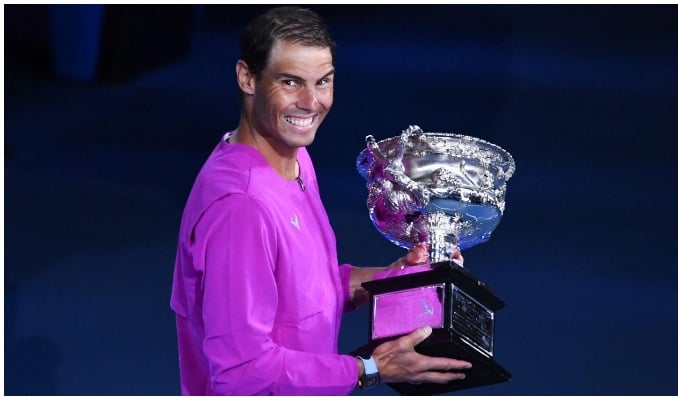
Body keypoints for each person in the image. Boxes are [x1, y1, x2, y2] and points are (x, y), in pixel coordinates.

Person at [170, 6, 470, 395]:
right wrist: (369, 369)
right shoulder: (240, 207)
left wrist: (397, 278)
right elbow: (242, 372)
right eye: (291, 82)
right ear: (247, 77)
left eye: (323, 81)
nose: (312, 102)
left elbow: (304, 290)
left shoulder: (292, 158)